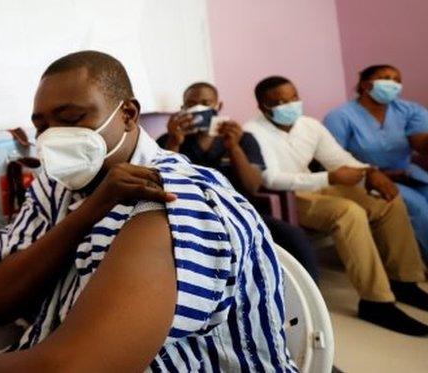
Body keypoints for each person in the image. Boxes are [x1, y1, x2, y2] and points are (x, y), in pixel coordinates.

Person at [0, 51, 296, 372]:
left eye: (73, 118)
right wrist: (86, 214)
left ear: (128, 114)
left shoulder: (171, 197)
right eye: (42, 126)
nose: (53, 137)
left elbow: (75, 366)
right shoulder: (58, 186)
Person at [245, 75, 428, 336]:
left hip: (317, 185)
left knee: (386, 200)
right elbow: (270, 178)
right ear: (264, 107)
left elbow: (337, 158)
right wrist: (329, 177)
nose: (290, 105)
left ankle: (405, 281)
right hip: (288, 194)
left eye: (293, 97)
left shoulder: (310, 126)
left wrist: (370, 171)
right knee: (348, 212)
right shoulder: (253, 132)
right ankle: (376, 301)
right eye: (280, 101)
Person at [158, 82, 320, 279]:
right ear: (183, 109)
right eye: (191, 104)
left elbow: (253, 185)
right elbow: (161, 180)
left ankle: (310, 302)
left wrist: (234, 148)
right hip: (189, 215)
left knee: (295, 238)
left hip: (239, 213)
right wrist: (174, 142)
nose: (199, 108)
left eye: (206, 102)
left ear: (218, 106)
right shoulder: (168, 139)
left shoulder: (242, 138)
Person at [325, 64, 428, 261]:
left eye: (397, 80)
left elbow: (421, 143)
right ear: (365, 84)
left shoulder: (409, 110)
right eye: (386, 78)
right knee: (418, 207)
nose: (393, 84)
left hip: (406, 172)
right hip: (365, 179)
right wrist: (374, 173)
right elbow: (333, 158)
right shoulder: (340, 116)